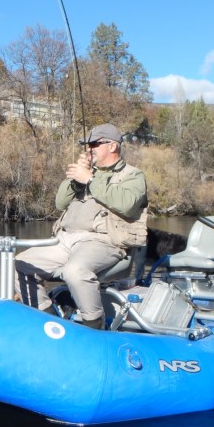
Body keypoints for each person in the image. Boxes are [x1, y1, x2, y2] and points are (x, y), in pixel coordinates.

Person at [15, 123, 148, 329]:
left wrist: (91, 179)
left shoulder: (133, 175)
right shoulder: (83, 175)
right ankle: (50, 321)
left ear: (112, 146)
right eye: (87, 145)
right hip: (64, 240)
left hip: (104, 241)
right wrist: (76, 181)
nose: (89, 149)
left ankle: (94, 326)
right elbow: (60, 203)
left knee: (75, 271)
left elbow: (127, 206)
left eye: (94, 144)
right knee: (20, 265)